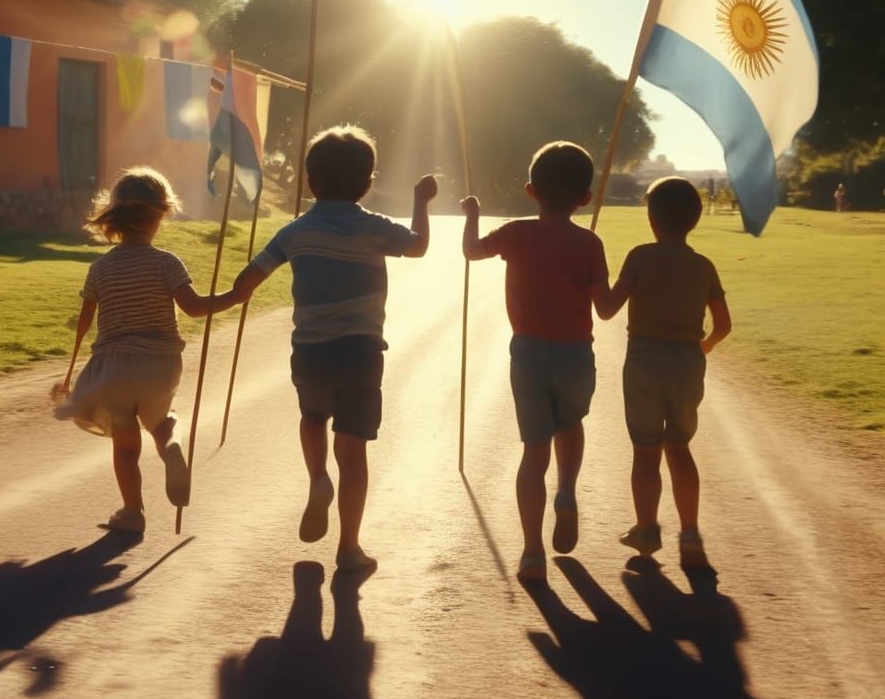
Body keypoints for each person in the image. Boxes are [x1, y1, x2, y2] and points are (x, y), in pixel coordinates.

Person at [229, 125, 437, 573]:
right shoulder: (373, 227)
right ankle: (349, 546)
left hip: (310, 350)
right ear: (367, 183)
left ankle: (318, 478)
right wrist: (421, 201)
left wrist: (221, 301)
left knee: (311, 417)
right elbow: (419, 246)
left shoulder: (295, 231)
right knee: (354, 447)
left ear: (310, 182)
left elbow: (248, 282)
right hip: (361, 352)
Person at [54, 167, 237, 533]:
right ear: (160, 215)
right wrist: (235, 296)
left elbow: (84, 324)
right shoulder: (167, 263)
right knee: (162, 421)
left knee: (124, 444)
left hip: (115, 368)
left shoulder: (100, 269)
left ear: (115, 217)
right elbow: (195, 308)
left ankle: (133, 512)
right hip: (160, 365)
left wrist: (71, 372)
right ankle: (171, 449)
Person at [461, 141, 610, 582]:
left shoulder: (515, 232)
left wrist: (472, 215)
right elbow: (603, 308)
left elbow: (471, 252)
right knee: (571, 425)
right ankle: (566, 491)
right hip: (576, 354)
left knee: (533, 451)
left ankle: (531, 552)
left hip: (527, 352)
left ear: (530, 190)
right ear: (585, 198)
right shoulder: (589, 242)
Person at [599, 176, 731, 570]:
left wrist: (589, 282)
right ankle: (689, 534)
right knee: (679, 447)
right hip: (687, 364)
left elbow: (607, 309)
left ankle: (647, 529)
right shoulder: (703, 266)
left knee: (646, 450)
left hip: (643, 361)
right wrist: (703, 345)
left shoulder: (639, 257)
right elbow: (723, 325)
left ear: (651, 217)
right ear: (696, 218)